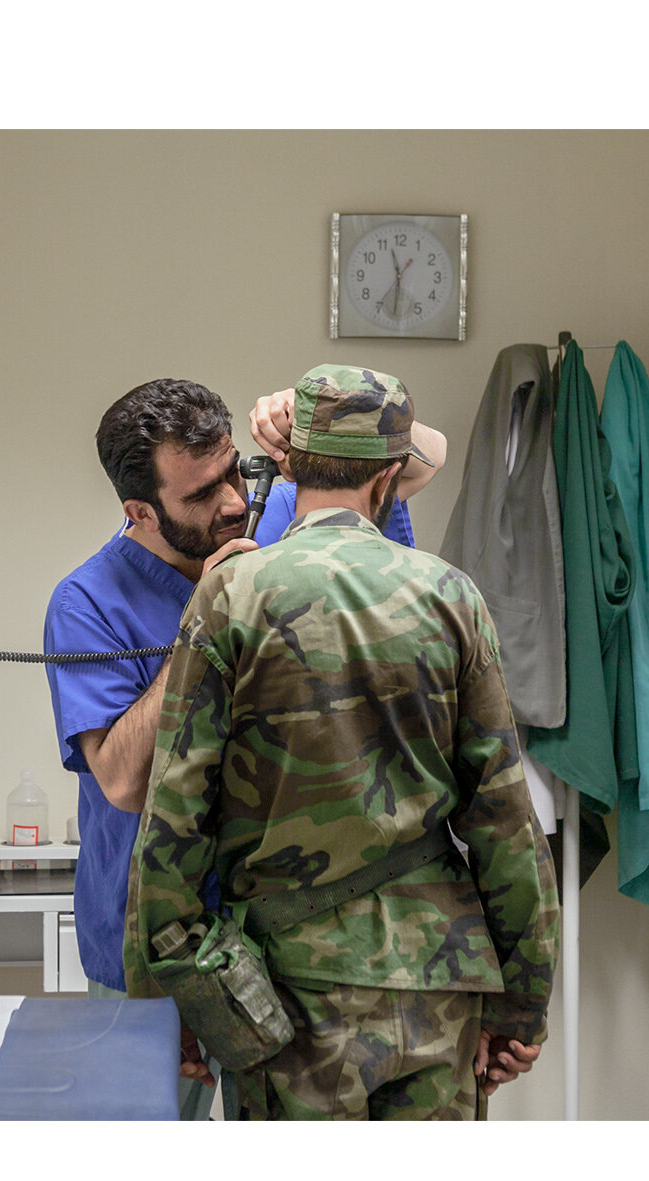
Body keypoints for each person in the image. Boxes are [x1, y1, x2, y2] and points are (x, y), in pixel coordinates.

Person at [121, 365, 561, 1120]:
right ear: (390, 478)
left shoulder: (232, 594)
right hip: (439, 984)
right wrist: (521, 1008)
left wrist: (175, 996)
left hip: (287, 1006)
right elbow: (505, 824)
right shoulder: (451, 596)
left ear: (287, 465)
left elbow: (173, 821)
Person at [41, 376, 447, 1119]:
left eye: (232, 470)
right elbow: (123, 780)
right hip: (152, 951)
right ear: (140, 511)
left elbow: (423, 461)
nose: (231, 502)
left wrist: (322, 416)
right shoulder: (88, 602)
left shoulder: (281, 511)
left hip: (279, 933)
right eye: (199, 496)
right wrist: (206, 612)